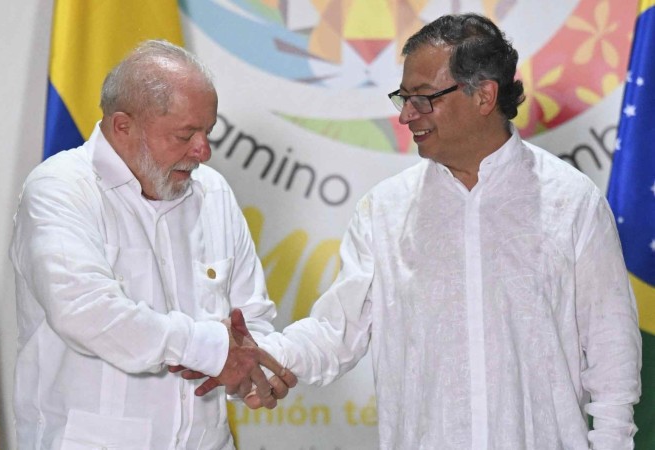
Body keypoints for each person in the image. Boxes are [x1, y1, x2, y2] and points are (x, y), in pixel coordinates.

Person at [245, 13, 642, 449]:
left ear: (484, 96)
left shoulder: (573, 203)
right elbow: (336, 333)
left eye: (423, 98)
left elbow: (612, 358)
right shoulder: (385, 211)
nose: (406, 116)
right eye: (404, 98)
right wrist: (268, 358)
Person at [10, 40, 295, 449]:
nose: (204, 151)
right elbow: (86, 312)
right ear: (122, 126)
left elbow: (249, 320)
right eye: (185, 135)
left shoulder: (213, 192)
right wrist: (209, 349)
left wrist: (253, 372)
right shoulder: (59, 189)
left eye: (207, 131)